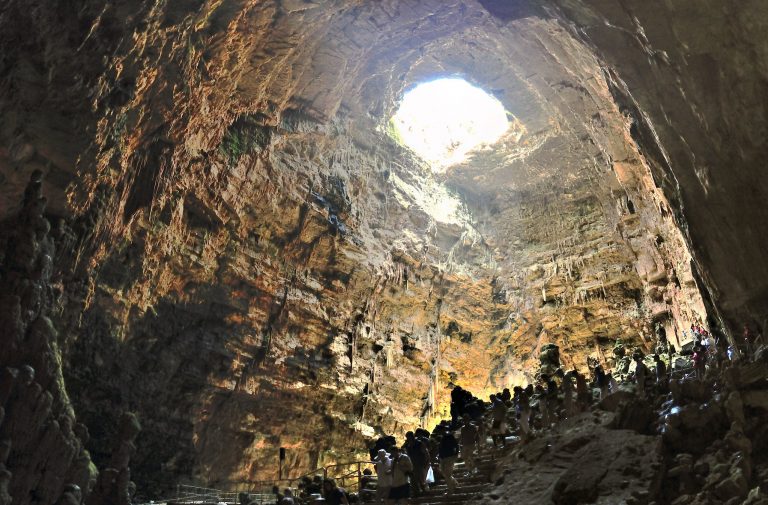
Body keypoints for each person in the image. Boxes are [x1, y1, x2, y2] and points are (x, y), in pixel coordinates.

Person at [403, 431, 429, 495]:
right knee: (413, 480)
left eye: (409, 437)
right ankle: (416, 493)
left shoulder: (419, 443)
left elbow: (426, 453)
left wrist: (426, 462)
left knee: (421, 479)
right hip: (412, 464)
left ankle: (424, 491)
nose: (409, 438)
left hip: (420, 463)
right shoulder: (408, 445)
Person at [438, 431, 459, 495]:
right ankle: (455, 483)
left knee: (447, 474)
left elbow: (456, 445)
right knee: (444, 473)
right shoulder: (442, 438)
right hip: (443, 458)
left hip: (449, 457)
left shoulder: (450, 437)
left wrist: (456, 454)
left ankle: (451, 490)